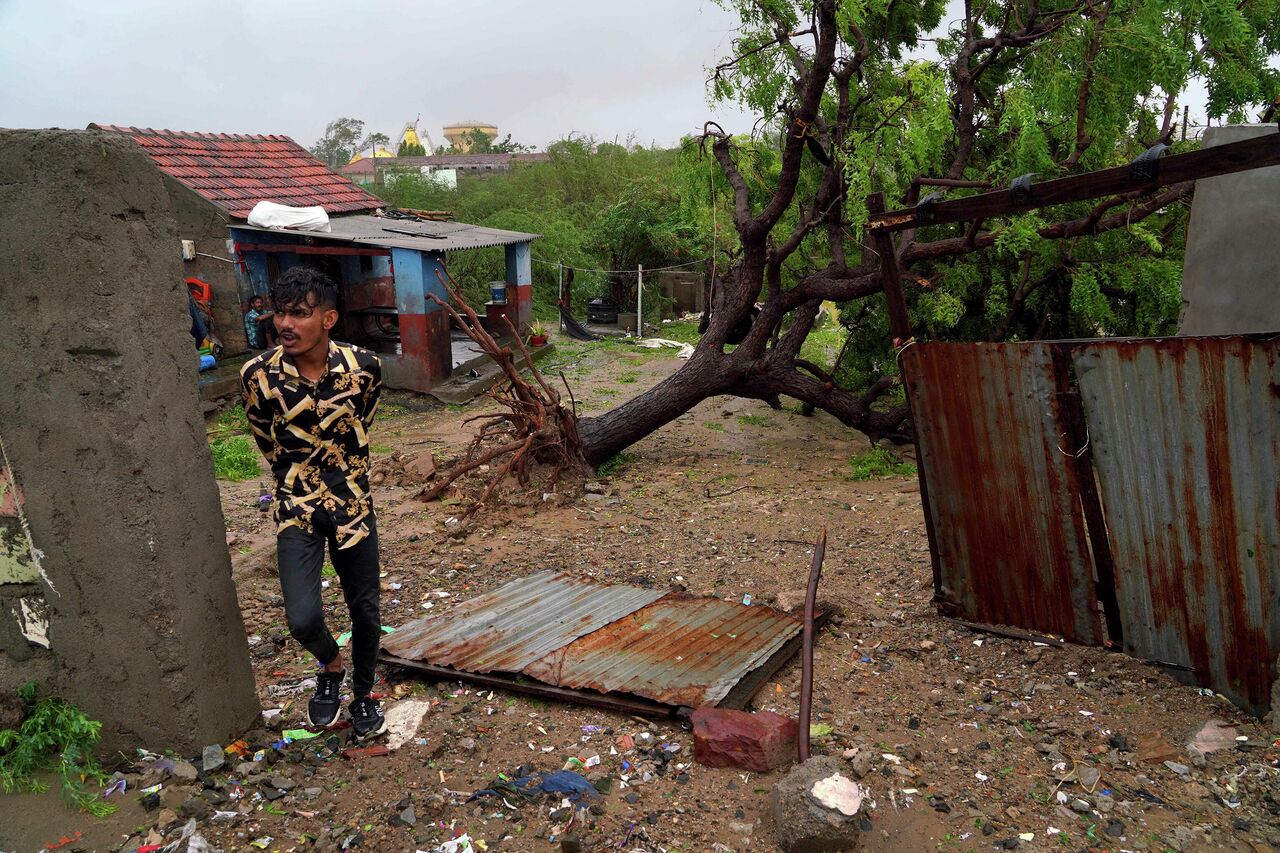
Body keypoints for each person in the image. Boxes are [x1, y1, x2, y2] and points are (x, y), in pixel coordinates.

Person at [239, 267, 387, 738]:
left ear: (328, 319)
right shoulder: (257, 376)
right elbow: (266, 439)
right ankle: (330, 666)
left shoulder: (363, 367)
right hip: (297, 505)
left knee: (365, 610)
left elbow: (363, 421)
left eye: (299, 313)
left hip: (352, 503)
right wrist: (298, 478)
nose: (285, 323)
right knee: (302, 617)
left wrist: (341, 473)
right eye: (280, 312)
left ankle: (363, 693)